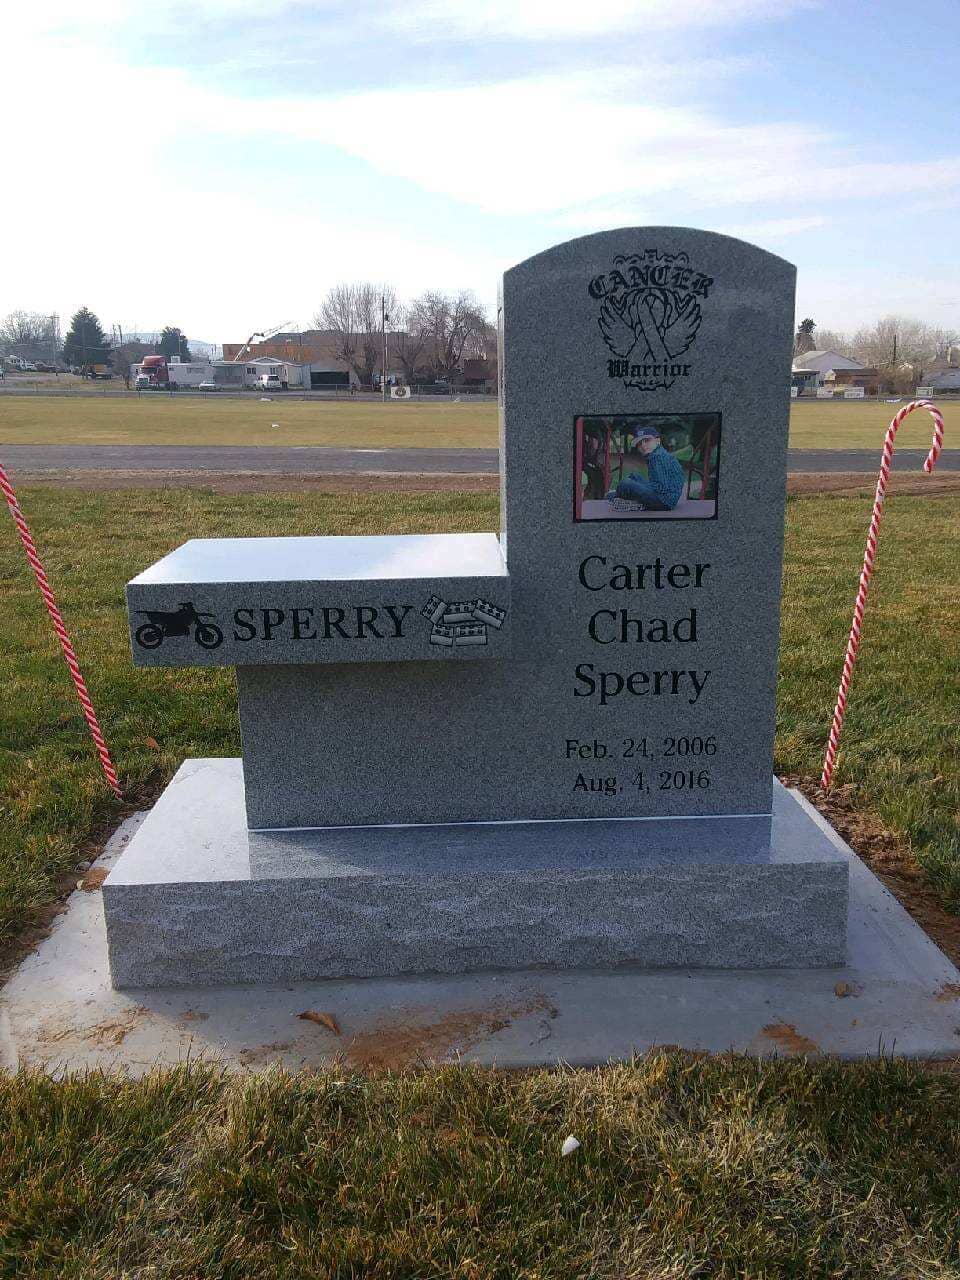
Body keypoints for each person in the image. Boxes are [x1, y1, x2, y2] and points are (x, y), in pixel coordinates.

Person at [607, 426, 685, 511]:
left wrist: (638, 490)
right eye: (640, 443)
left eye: (647, 440)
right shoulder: (659, 453)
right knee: (635, 476)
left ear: (657, 441)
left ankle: (622, 497)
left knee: (625, 483)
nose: (643, 445)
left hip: (664, 501)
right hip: (668, 497)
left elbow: (660, 488)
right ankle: (623, 495)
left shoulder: (657, 457)